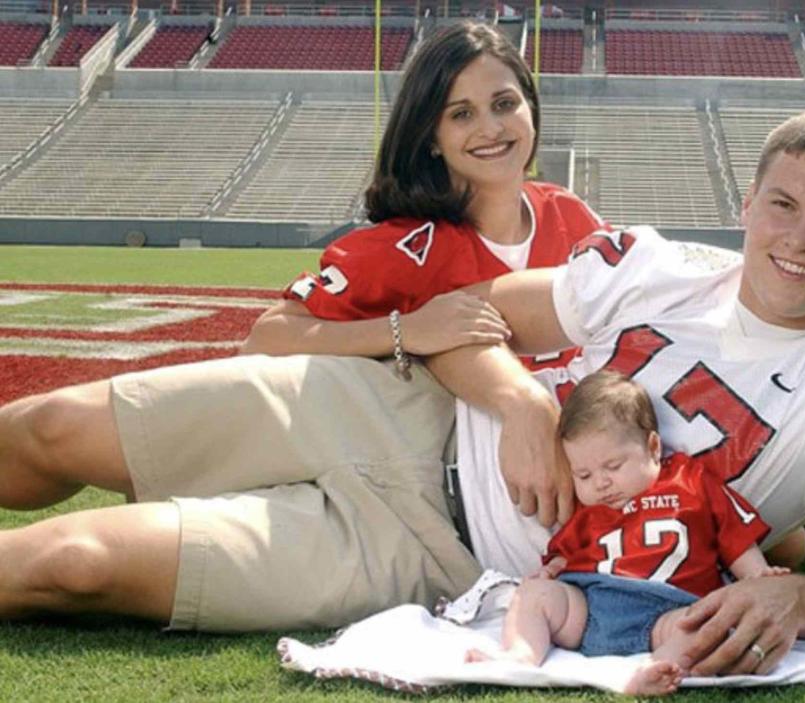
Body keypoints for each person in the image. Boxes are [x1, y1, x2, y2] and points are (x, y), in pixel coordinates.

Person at [0, 22, 605, 631]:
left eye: (504, 104)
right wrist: (406, 331)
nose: (491, 128)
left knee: (81, 563)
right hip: (372, 415)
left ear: (530, 107)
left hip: (435, 542)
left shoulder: (578, 225)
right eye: (461, 114)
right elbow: (268, 337)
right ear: (431, 137)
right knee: (53, 426)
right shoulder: (408, 245)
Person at [426, 111, 805, 677]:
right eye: (783, 205)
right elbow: (459, 315)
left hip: (453, 561)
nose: (800, 240)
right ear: (748, 204)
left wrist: (802, 597)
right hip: (430, 421)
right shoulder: (665, 270)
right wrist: (520, 402)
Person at [465, 370, 788, 696]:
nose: (600, 483)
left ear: (653, 446)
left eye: (613, 466)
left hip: (669, 609)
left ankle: (654, 670)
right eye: (584, 474)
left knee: (707, 626)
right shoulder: (589, 509)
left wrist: (759, 575)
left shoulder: (692, 482)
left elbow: (735, 538)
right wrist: (553, 569)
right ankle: (520, 656)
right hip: (591, 610)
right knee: (533, 593)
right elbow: (566, 553)